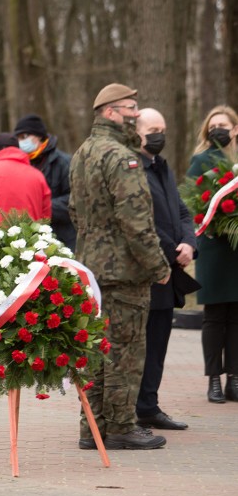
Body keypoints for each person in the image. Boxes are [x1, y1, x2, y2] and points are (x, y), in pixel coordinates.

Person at [69, 83, 171, 451]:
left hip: (92, 267)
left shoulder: (83, 153)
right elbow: (137, 222)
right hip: (124, 271)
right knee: (124, 351)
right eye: (130, 107)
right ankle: (121, 426)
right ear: (110, 112)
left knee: (96, 348)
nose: (136, 114)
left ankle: (91, 427)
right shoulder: (122, 157)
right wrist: (159, 265)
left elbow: (75, 212)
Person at [134, 108, 197, 429]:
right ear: (137, 132)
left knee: (159, 343)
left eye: (163, 129)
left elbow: (183, 212)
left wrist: (189, 243)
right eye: (153, 129)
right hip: (148, 270)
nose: (159, 135)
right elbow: (141, 222)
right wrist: (173, 249)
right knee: (141, 346)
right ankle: (134, 407)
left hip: (170, 270)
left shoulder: (163, 168)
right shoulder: (133, 171)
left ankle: (149, 405)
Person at [186, 105, 238, 403]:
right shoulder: (201, 160)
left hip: (237, 248)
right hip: (215, 246)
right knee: (215, 315)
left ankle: (234, 378)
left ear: (235, 129)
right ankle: (213, 380)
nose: (218, 129)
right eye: (213, 125)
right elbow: (193, 202)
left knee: (237, 316)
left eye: (224, 124)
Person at [13, 114, 76, 250]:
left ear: (39, 136)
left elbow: (73, 199)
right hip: (30, 240)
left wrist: (42, 209)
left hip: (62, 238)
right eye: (18, 138)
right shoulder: (20, 164)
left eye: (24, 137)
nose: (21, 142)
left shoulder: (63, 162)